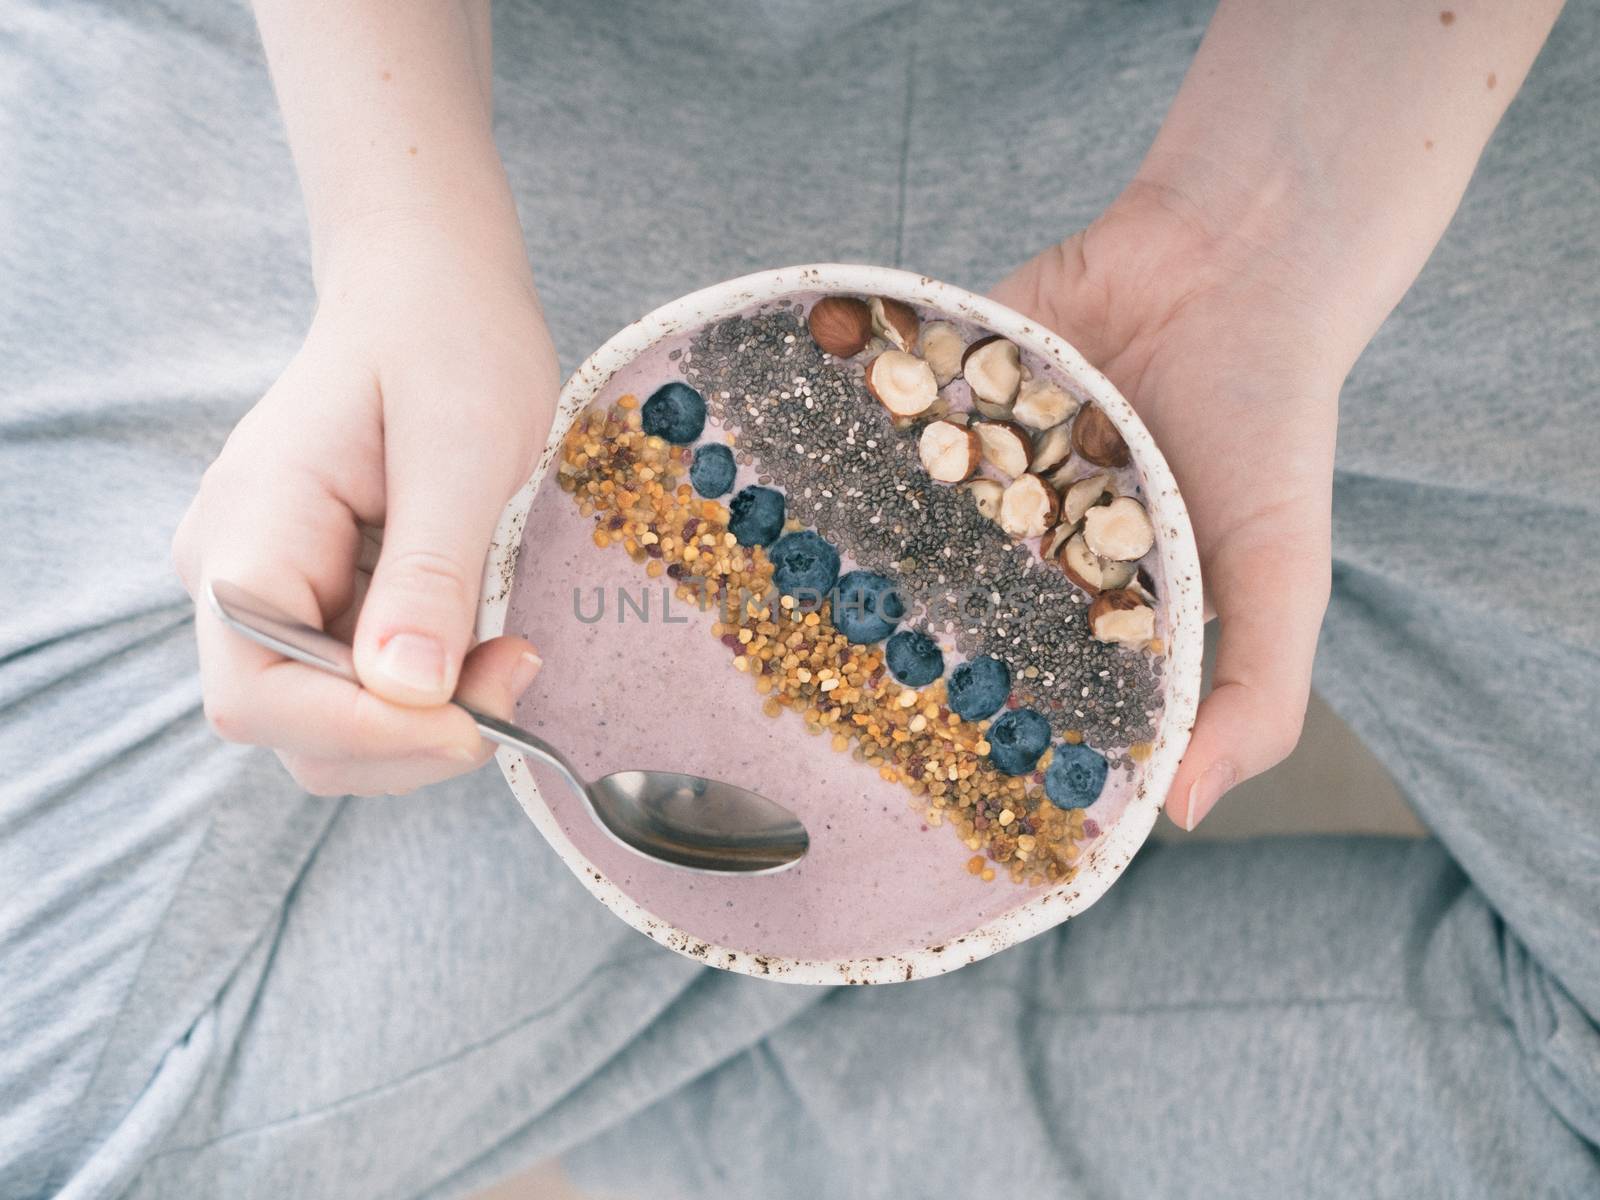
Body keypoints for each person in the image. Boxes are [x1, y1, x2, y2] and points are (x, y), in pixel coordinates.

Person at [2, 0, 1595, 1196]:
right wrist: (395, 230)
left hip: (1358, 91)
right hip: (465, 83)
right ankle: (762, 968)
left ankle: (681, 1045)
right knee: (69, 1136)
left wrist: (1271, 228)